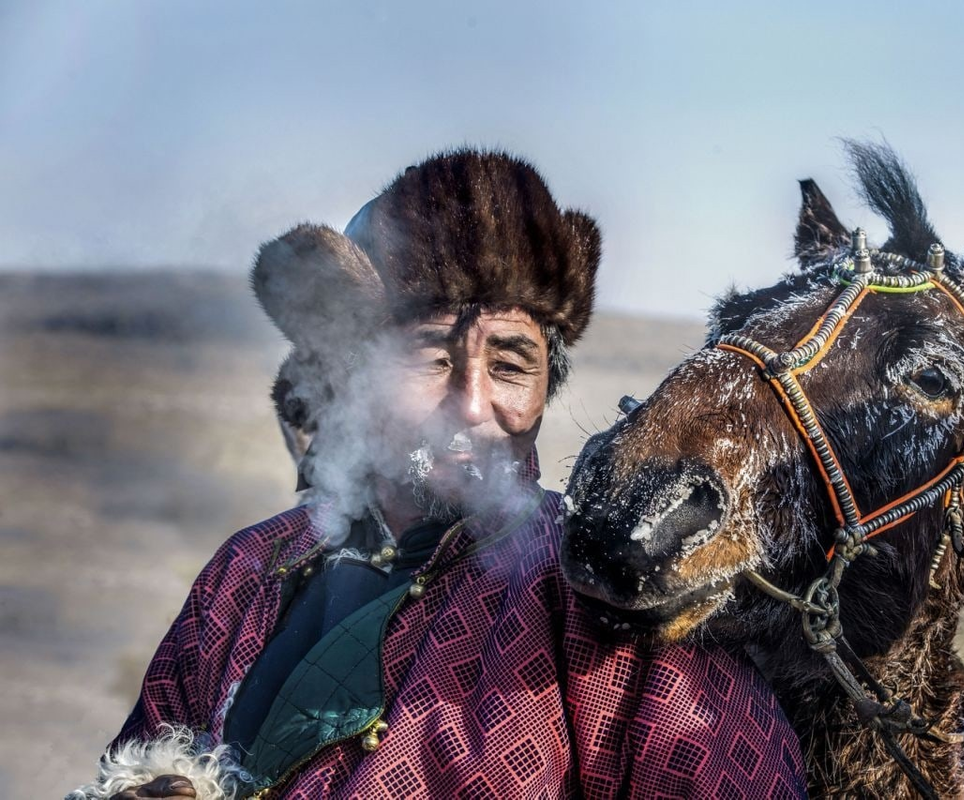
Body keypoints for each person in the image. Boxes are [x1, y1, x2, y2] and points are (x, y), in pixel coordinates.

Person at [72, 150, 808, 799]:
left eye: (512, 364)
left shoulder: (606, 595)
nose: (472, 405)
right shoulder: (244, 577)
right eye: (431, 358)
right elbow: (137, 761)